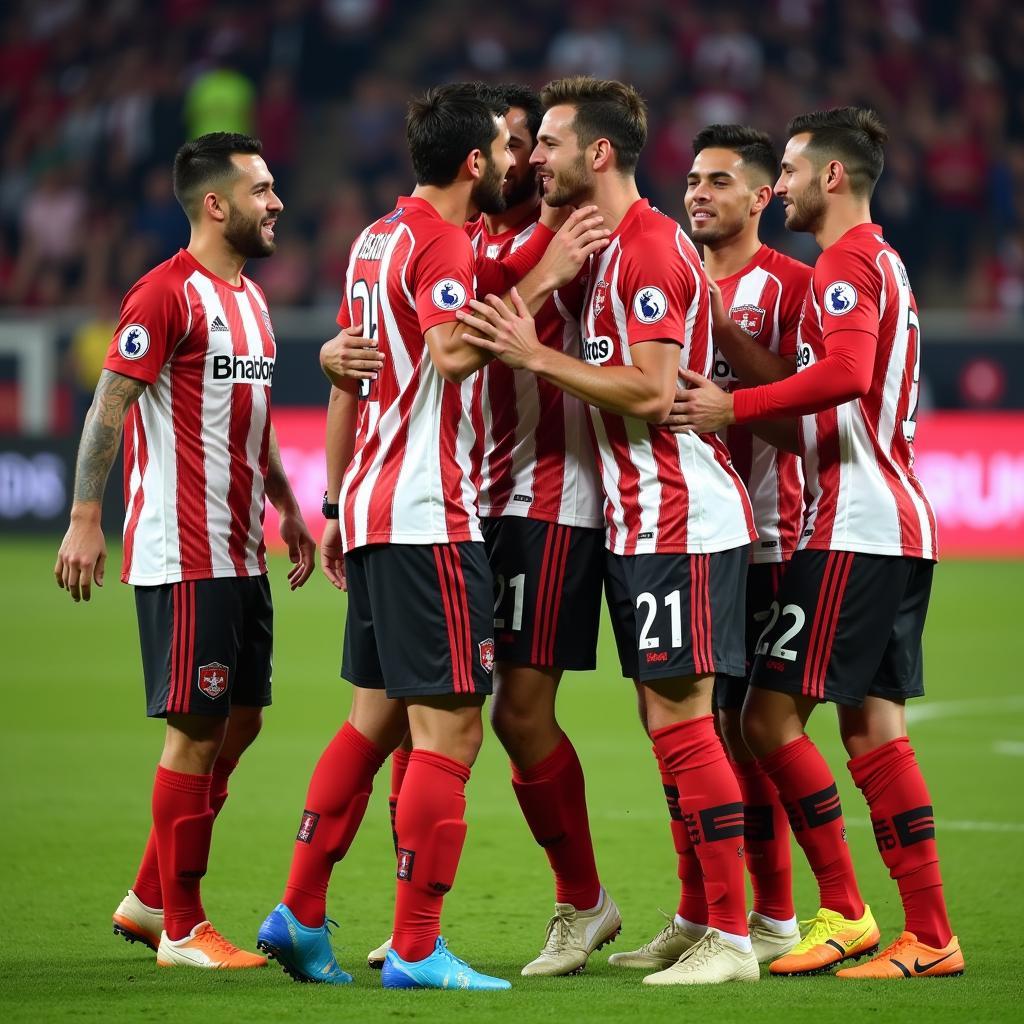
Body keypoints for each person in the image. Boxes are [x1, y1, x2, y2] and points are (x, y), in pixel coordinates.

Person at [254, 83, 608, 991]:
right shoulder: (446, 240)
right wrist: (544, 278)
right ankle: (417, 946)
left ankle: (298, 911)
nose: (517, 159)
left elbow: (360, 364)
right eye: (503, 147)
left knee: (372, 718)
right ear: (472, 163)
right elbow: (452, 350)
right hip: (427, 514)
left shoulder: (378, 237)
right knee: (451, 731)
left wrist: (334, 501)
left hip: (372, 504)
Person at [460, 76, 761, 986]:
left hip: (677, 513)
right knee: (663, 716)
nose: (532, 155)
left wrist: (532, 354)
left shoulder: (649, 249)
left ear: (596, 153)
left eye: (546, 142)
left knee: (683, 722)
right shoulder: (601, 245)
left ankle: (733, 937)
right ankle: (697, 918)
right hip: (641, 517)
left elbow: (654, 390)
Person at [669, 107, 963, 979]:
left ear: (831, 176)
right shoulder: (886, 262)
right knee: (873, 729)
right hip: (898, 521)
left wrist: (733, 406)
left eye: (791, 170)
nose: (785, 184)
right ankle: (931, 934)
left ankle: (843, 907)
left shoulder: (842, 262)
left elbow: (847, 374)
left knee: (764, 717)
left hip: (854, 527)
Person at [54, 132, 315, 969]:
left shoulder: (253, 300)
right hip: (186, 551)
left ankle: (147, 897)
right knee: (195, 734)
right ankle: (182, 929)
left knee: (241, 721)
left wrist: (288, 509)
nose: (276, 203)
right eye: (262, 189)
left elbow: (255, 423)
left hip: (243, 549)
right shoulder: (164, 295)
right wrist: (86, 516)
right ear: (216, 204)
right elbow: (108, 407)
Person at [613, 124, 811, 972]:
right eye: (692, 179)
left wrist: (726, 336)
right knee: (682, 724)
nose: (699, 194)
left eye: (720, 181)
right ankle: (702, 914)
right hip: (679, 528)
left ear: (763, 196)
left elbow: (808, 422)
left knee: (735, 731)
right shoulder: (673, 271)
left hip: (764, 536)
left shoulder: (794, 285)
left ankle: (773, 915)